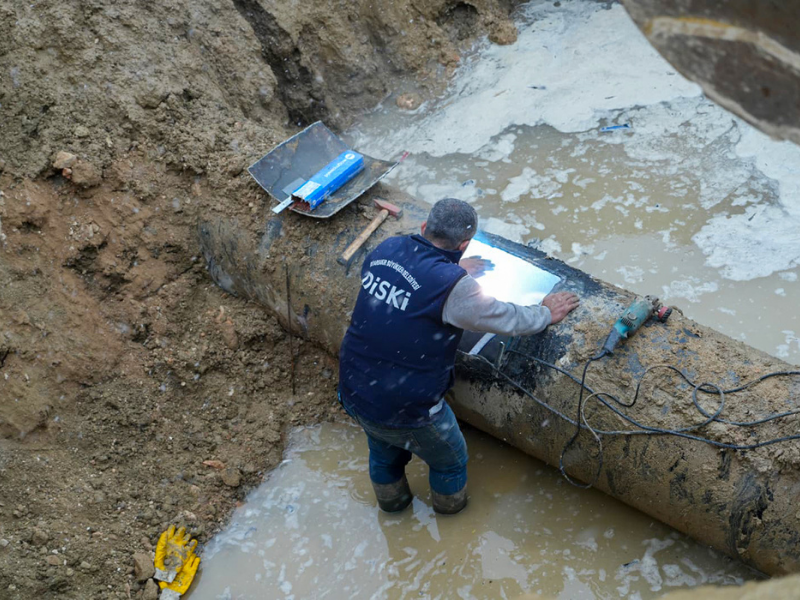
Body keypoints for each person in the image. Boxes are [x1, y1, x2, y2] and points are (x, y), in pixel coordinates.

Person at [338, 198, 579, 515]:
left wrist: (449, 269)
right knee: (450, 461)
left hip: (354, 387)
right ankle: (451, 520)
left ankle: (393, 508)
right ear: (464, 244)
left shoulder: (386, 249)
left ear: (425, 228)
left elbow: (407, 286)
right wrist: (546, 313)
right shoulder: (453, 289)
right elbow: (506, 317)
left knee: (383, 453)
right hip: (406, 406)